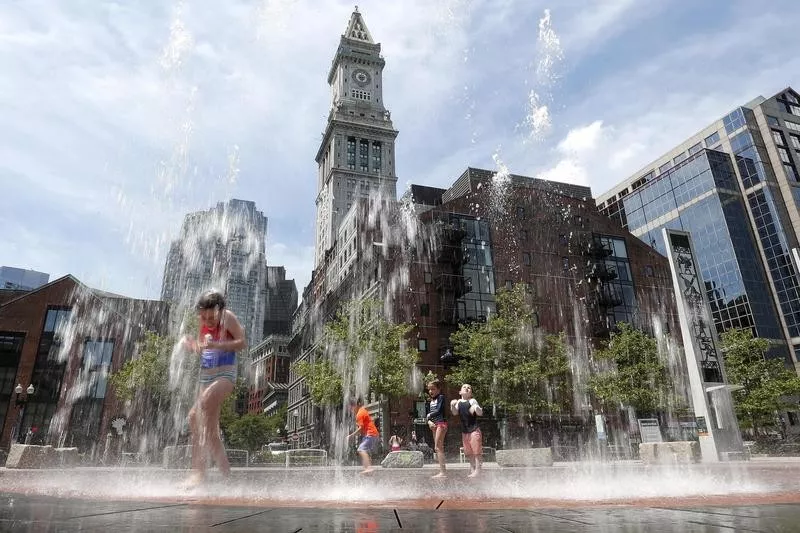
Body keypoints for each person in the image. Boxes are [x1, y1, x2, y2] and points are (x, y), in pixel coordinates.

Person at [181, 290, 246, 487]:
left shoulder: (228, 317)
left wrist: (217, 344)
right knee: (210, 431)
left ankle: (198, 474)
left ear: (220, 311)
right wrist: (191, 345)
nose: (208, 321)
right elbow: (202, 348)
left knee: (194, 416)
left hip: (225, 375)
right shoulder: (203, 322)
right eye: (204, 317)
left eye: (212, 317)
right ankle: (227, 478)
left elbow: (242, 343)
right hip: (206, 376)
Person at [450, 383, 483, 478]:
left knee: (476, 452)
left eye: (469, 387)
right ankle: (472, 469)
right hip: (465, 431)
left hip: (474, 430)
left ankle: (477, 470)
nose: (467, 388)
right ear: (460, 392)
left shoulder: (472, 401)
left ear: (471, 393)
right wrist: (452, 405)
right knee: (469, 453)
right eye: (464, 387)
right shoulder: (459, 402)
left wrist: (476, 408)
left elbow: (480, 413)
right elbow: (455, 413)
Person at [347, 397, 380, 474]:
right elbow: (362, 428)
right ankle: (368, 471)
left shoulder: (359, 414)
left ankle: (368, 468)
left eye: (350, 408)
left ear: (354, 406)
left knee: (361, 449)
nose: (350, 410)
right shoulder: (362, 410)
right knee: (365, 451)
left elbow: (360, 429)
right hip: (372, 434)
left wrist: (351, 436)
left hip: (370, 434)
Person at [426, 379, 447, 478]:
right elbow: (428, 416)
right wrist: (429, 421)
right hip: (434, 425)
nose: (430, 391)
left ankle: (443, 472)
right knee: (439, 448)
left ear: (438, 389)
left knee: (438, 447)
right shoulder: (430, 401)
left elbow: (439, 410)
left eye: (433, 389)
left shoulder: (441, 398)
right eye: (429, 389)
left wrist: (429, 416)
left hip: (441, 424)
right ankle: (442, 471)